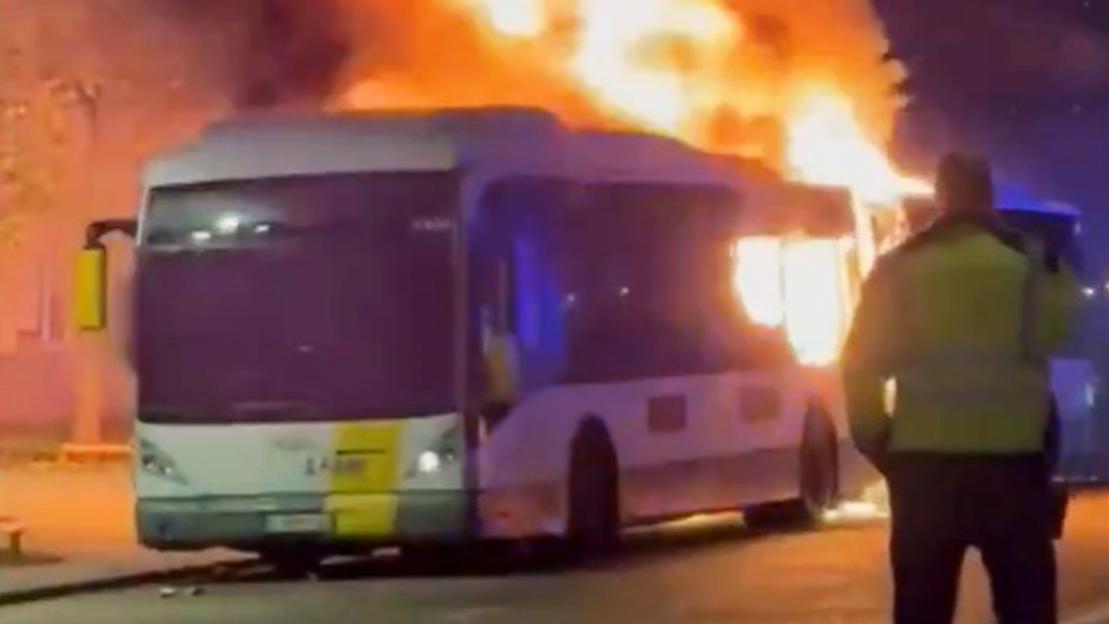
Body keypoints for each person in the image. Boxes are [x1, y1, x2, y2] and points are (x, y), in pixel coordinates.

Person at [843, 154, 1080, 624]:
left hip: (925, 472)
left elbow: (861, 367)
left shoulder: (896, 269)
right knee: (1027, 608)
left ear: (940, 196)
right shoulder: (1034, 266)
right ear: (989, 196)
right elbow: (1060, 330)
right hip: (1015, 469)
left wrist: (879, 443)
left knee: (922, 610)